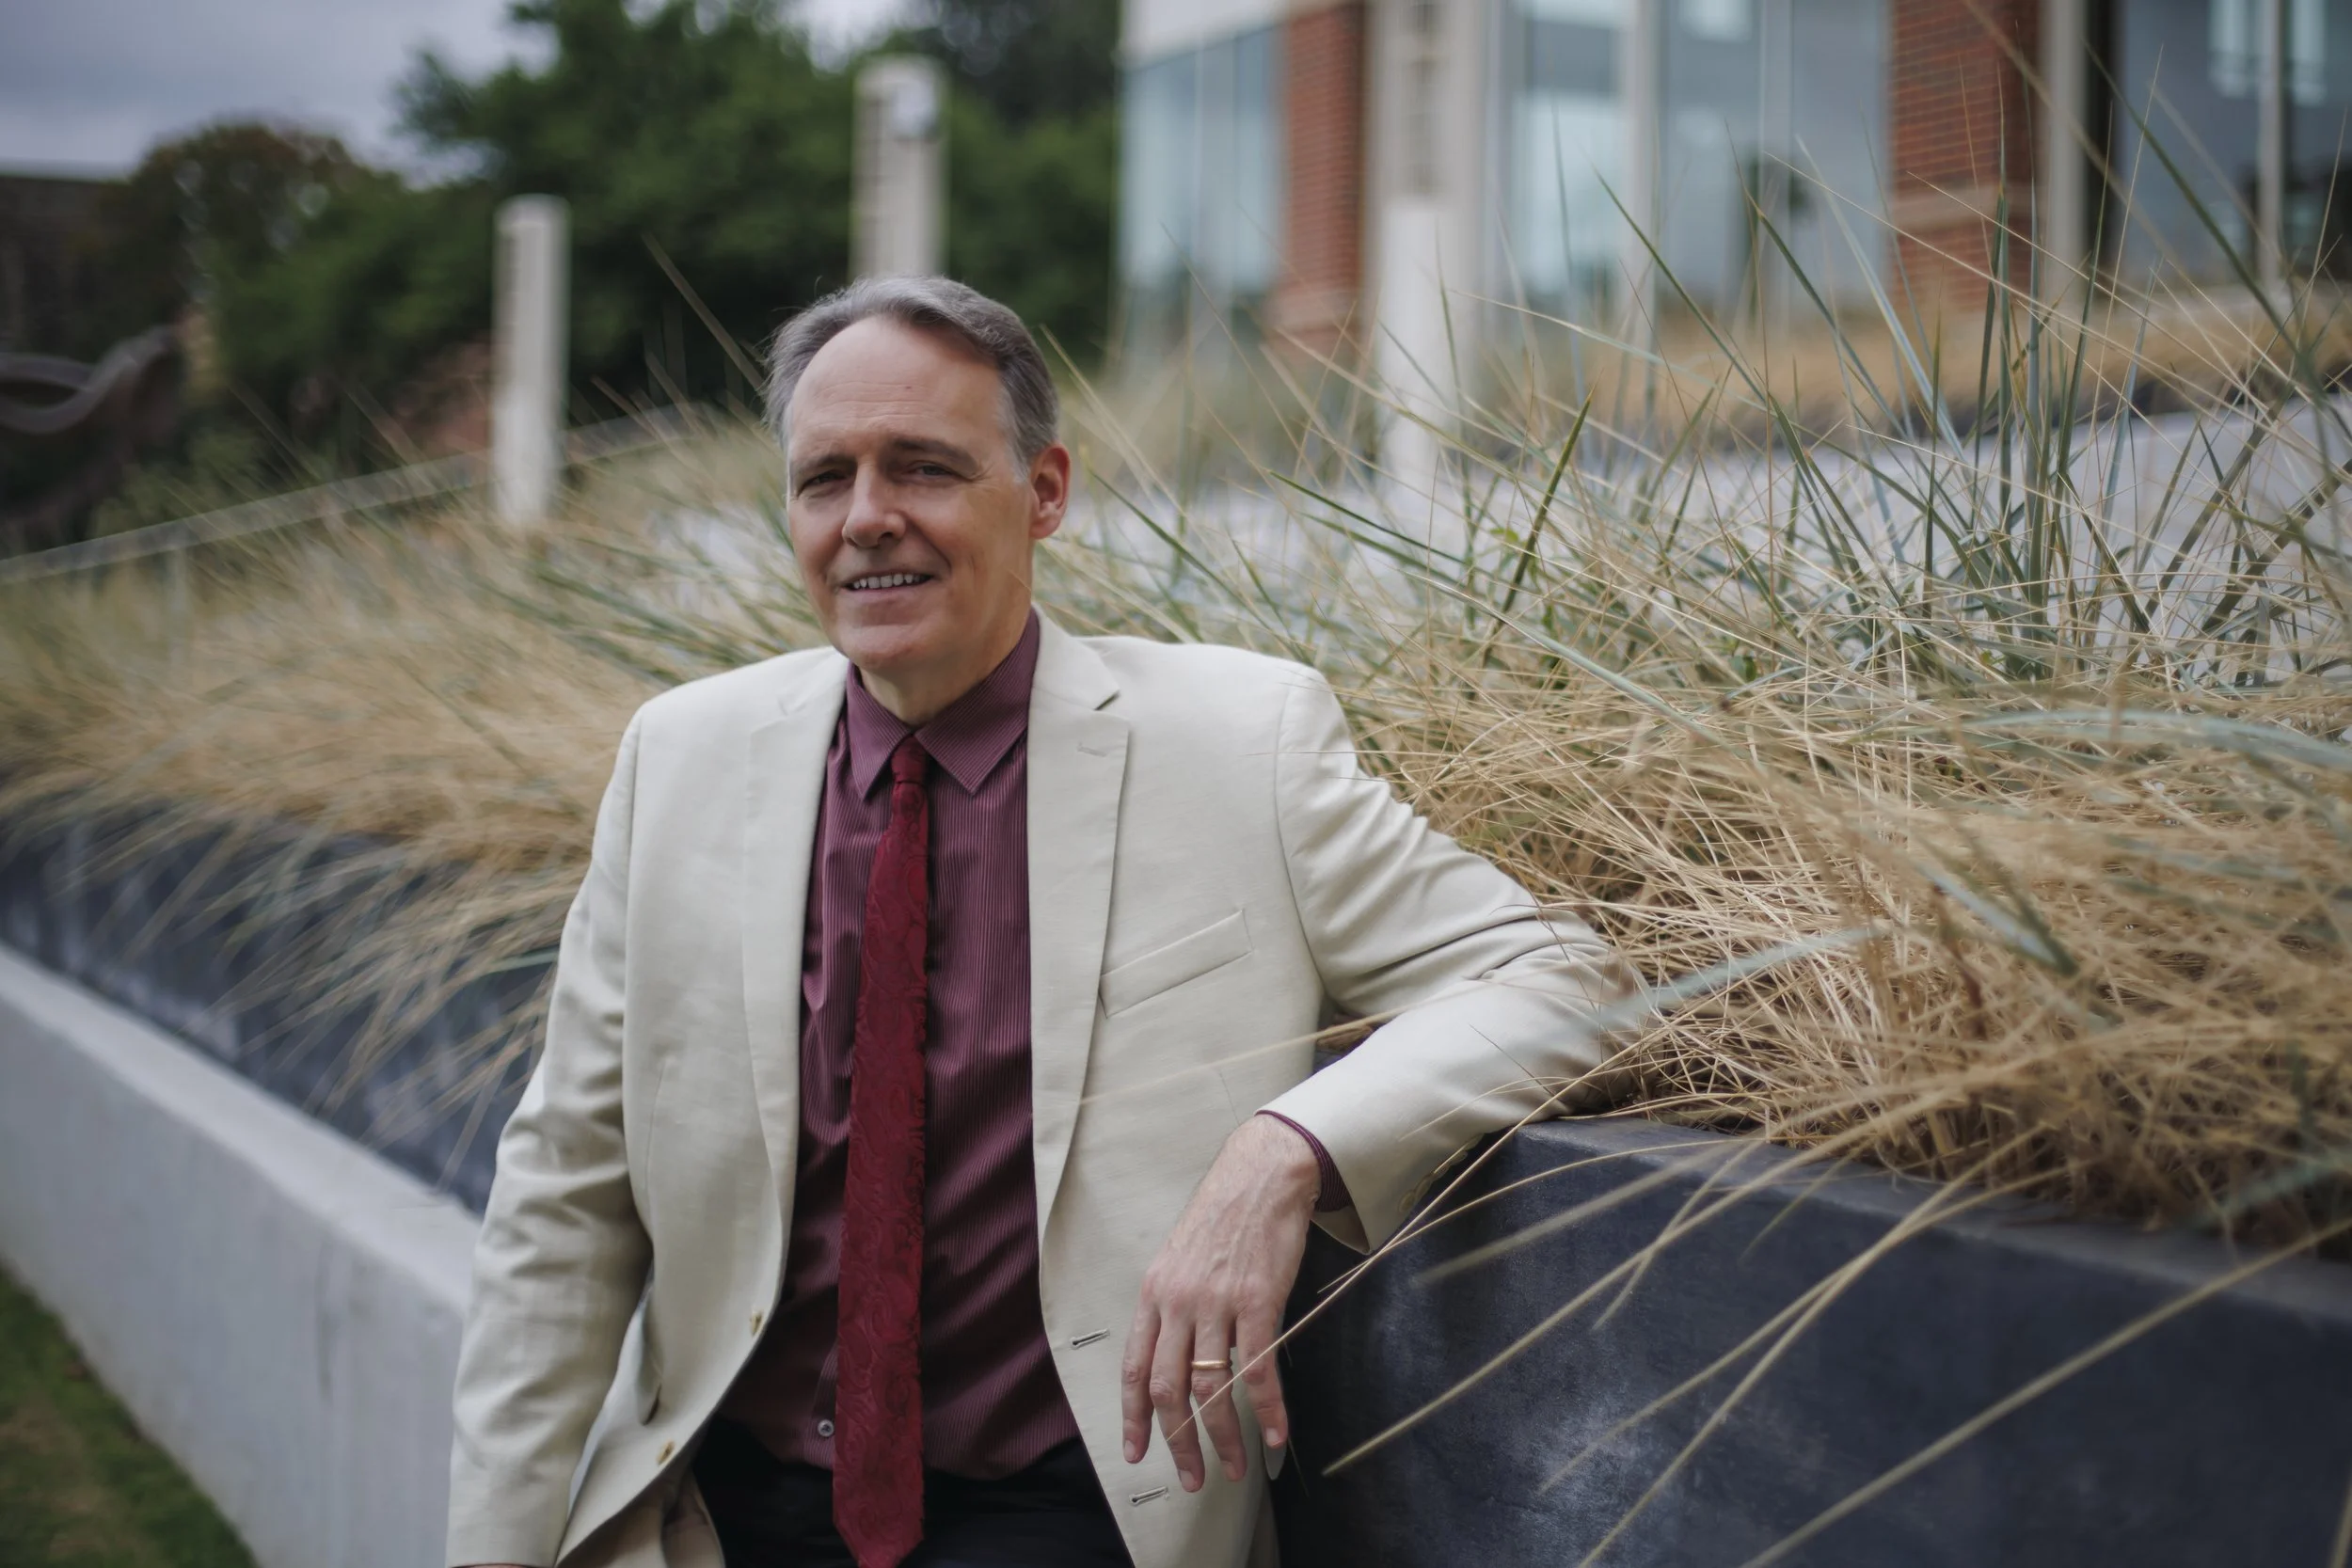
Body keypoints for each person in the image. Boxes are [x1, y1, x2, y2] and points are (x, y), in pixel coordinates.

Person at [446, 277, 1630, 1568]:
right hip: (721, 1513)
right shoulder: (676, 759)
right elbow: (562, 1202)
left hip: (1076, 1515)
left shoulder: (1243, 744)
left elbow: (1556, 972)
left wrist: (1287, 1147)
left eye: (926, 468)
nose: (867, 520)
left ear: (1046, 491)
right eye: (823, 477)